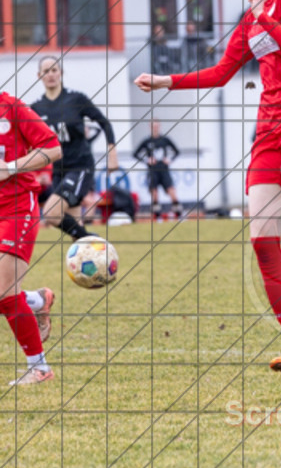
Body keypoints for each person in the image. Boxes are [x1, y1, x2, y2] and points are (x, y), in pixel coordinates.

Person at [134, 0, 281, 372]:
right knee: (262, 239)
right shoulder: (251, 18)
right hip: (268, 125)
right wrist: (165, 81)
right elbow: (222, 73)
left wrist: (267, 21)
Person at [0, 91, 63, 385]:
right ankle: (38, 300)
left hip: (16, 207)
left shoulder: (11, 107)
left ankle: (40, 369)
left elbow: (53, 149)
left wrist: (11, 167)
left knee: (5, 290)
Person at [31, 56, 120, 241]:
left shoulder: (76, 98)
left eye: (54, 70)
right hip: (58, 171)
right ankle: (88, 254)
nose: (51, 75)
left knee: (51, 213)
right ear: (39, 75)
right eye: (46, 71)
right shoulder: (36, 109)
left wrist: (112, 153)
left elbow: (103, 122)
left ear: (61, 73)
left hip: (80, 167)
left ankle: (91, 239)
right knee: (74, 225)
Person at [133, 119, 184, 218]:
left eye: (156, 126)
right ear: (150, 128)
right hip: (153, 171)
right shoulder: (147, 141)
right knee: (154, 194)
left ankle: (178, 214)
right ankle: (157, 217)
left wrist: (169, 159)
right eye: (153, 126)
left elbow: (176, 151)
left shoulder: (165, 140)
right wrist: (146, 160)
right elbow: (135, 154)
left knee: (172, 192)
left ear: (159, 127)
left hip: (164, 170)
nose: (155, 128)